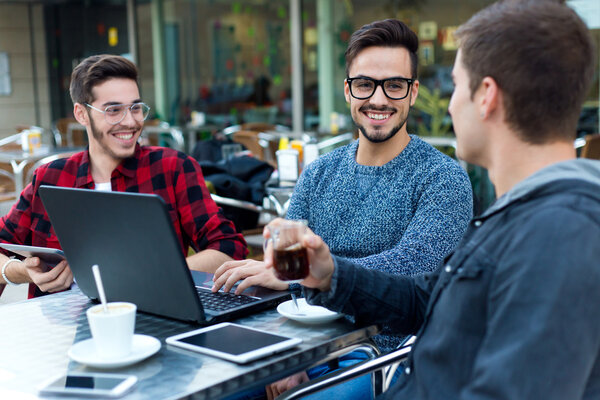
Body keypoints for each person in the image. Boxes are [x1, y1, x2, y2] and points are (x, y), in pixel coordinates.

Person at [263, 0, 600, 398]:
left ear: (486, 96)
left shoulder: (559, 233)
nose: (450, 103)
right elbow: (431, 297)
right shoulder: (523, 215)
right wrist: (330, 275)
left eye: (456, 85)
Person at [214, 19, 473, 398]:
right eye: (365, 84)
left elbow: (413, 274)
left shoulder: (443, 179)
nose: (379, 99)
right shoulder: (320, 171)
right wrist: (285, 354)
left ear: (413, 93)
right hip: (300, 341)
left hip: (384, 356)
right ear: (349, 92)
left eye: (395, 86)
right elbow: (286, 254)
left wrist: (303, 275)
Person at [0, 55, 248, 299]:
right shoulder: (50, 177)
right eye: (113, 110)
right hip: (61, 330)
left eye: (136, 108)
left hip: (154, 319)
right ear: (81, 114)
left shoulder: (172, 168)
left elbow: (228, 247)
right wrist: (21, 271)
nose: (130, 121)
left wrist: (158, 276)